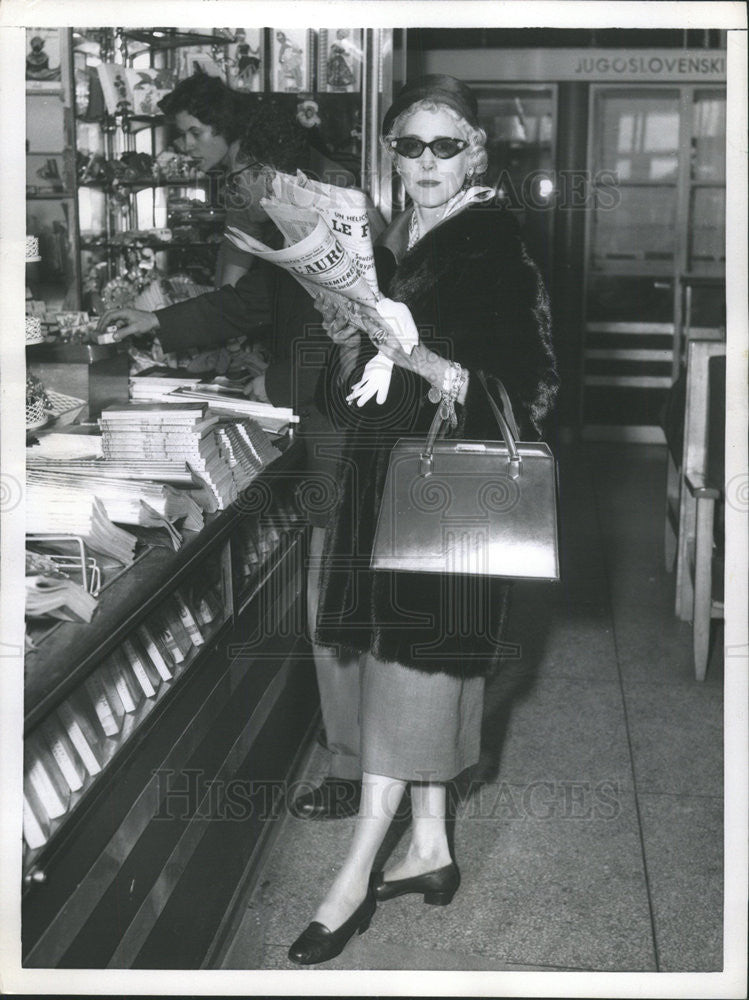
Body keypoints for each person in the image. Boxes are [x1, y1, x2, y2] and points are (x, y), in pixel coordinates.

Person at [286, 74, 558, 965]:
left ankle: (354, 874)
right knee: (408, 669)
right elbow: (361, 390)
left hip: (447, 496)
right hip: (388, 485)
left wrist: (428, 361)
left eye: (447, 145)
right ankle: (431, 847)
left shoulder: (493, 242)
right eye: (411, 146)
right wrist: (350, 334)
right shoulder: (402, 239)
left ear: (474, 152)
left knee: (410, 676)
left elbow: (535, 386)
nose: (428, 161)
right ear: (392, 158)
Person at [97, 99, 377, 822]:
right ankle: (361, 742)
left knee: (333, 593)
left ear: (267, 164)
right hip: (334, 430)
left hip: (346, 433)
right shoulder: (300, 214)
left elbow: (350, 335)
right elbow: (256, 299)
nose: (233, 189)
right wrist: (159, 320)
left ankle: (353, 762)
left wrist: (277, 382)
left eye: (239, 173)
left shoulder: (324, 215)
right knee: (339, 588)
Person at [158, 73, 354, 287]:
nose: (187, 145)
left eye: (195, 133)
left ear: (222, 124)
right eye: (183, 134)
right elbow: (237, 245)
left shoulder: (254, 161)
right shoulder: (240, 166)